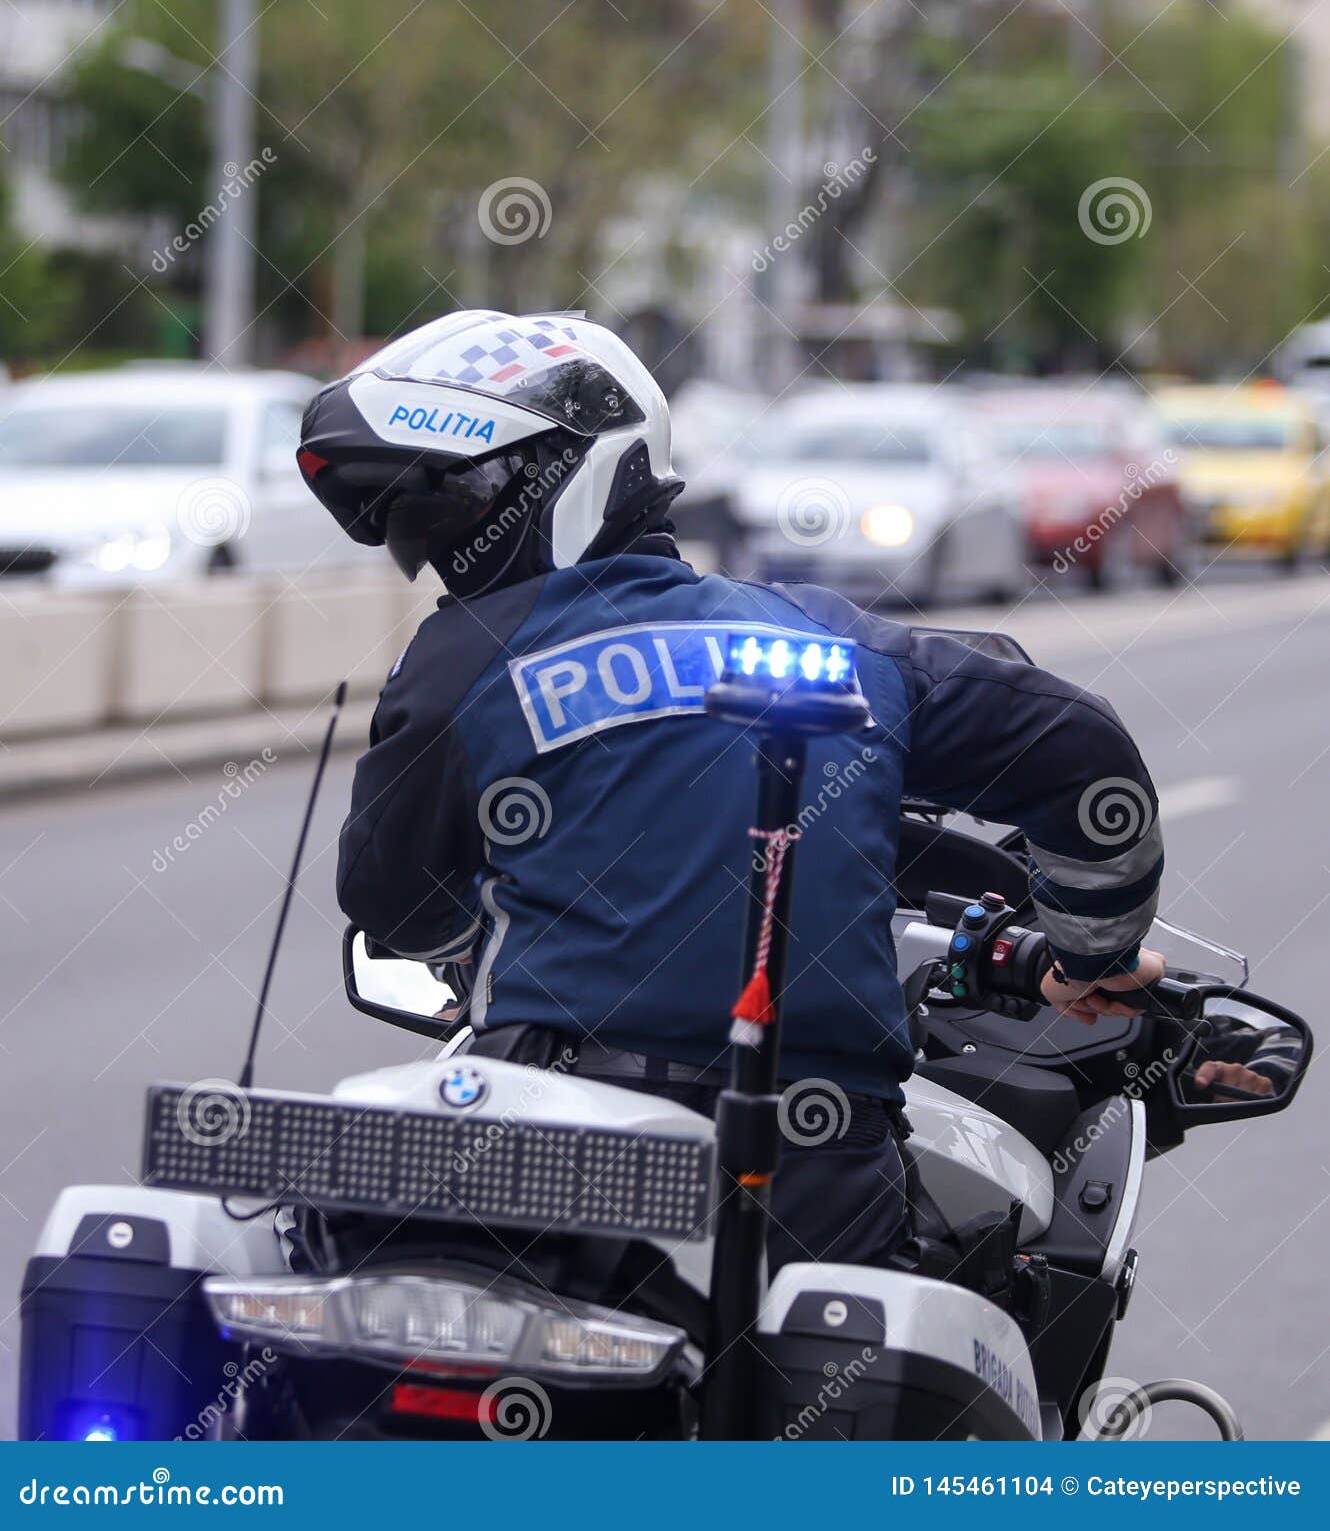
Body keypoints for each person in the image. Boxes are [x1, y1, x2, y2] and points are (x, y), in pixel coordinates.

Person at [299, 309, 1166, 1272]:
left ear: (580, 469)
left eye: (444, 507)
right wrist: (1088, 955)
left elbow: (397, 905)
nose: (432, 548)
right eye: (409, 523)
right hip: (818, 1159)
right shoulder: (834, 647)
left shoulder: (461, 660)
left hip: (550, 1140)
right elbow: (1084, 758)